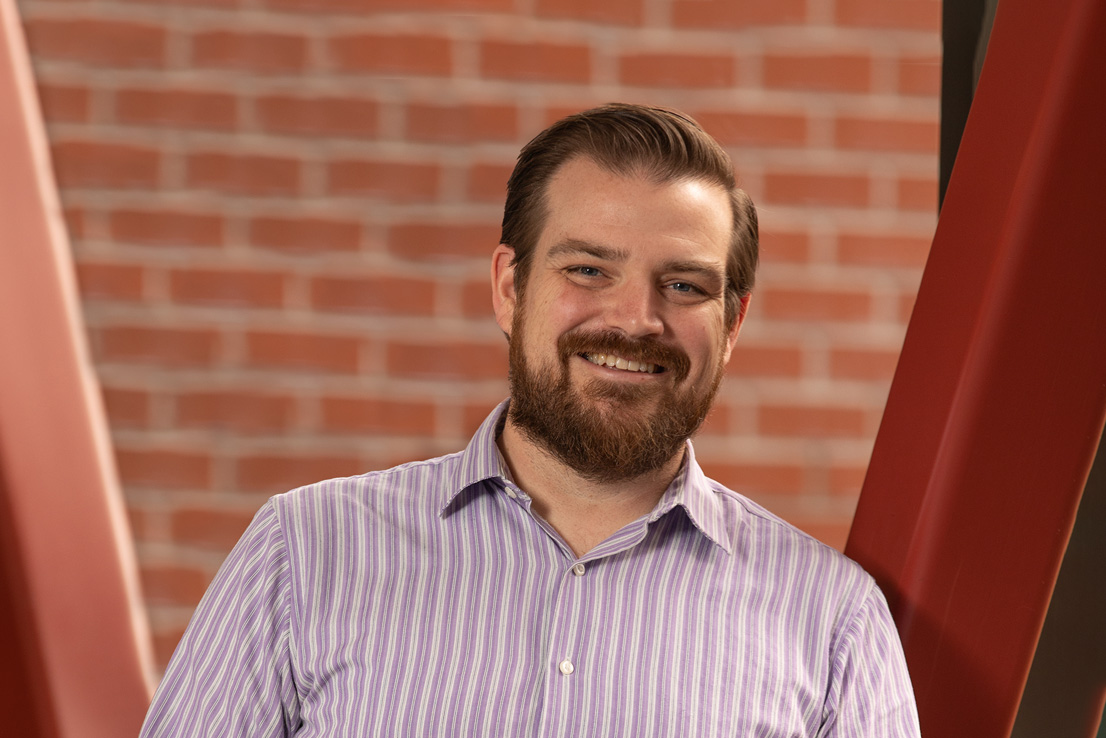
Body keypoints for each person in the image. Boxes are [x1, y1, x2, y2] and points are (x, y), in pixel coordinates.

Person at [139, 103, 920, 737]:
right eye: (588, 270)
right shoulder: (305, 554)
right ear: (510, 288)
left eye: (683, 286)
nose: (635, 319)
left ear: (733, 323)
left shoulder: (833, 621)